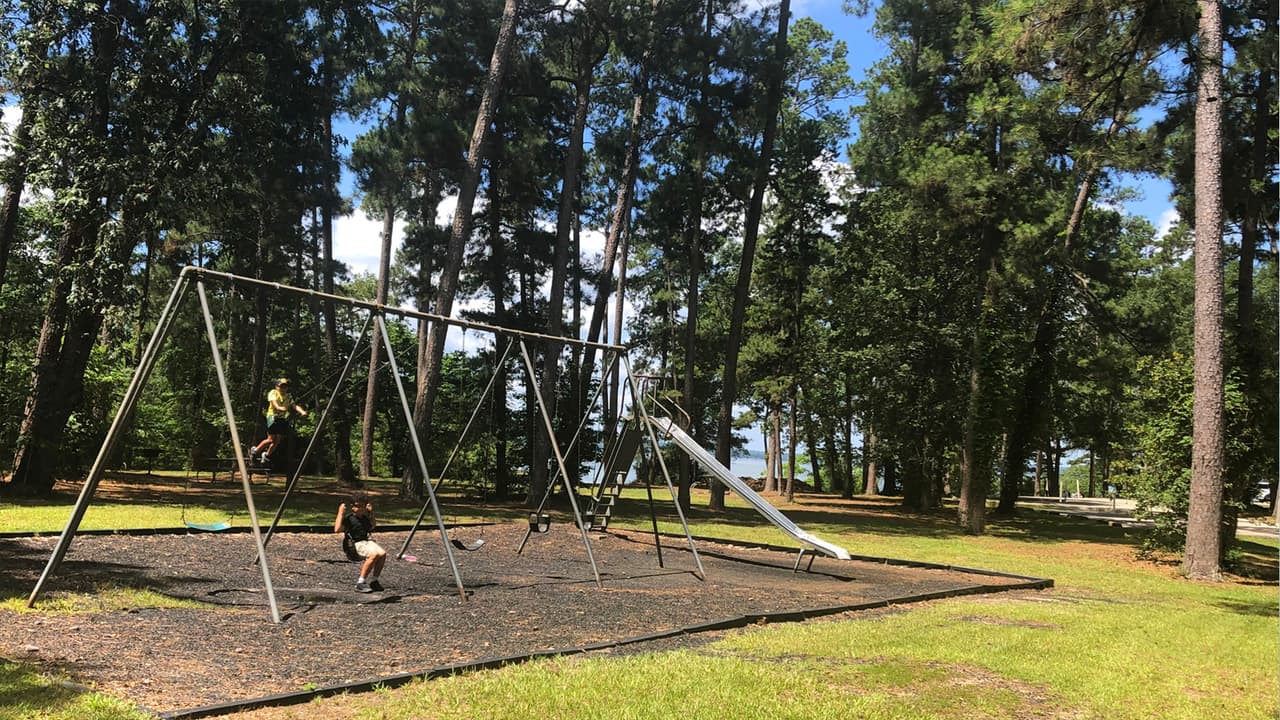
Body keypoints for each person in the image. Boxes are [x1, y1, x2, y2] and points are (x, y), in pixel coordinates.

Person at [334, 493, 387, 593]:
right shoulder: (349, 518)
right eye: (356, 506)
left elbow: (372, 526)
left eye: (361, 506)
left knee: (383, 553)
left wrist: (371, 513)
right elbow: (337, 529)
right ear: (352, 507)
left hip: (365, 542)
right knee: (374, 554)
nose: (358, 508)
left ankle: (374, 581)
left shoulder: (364, 518)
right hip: (354, 544)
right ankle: (360, 583)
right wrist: (340, 513)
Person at [251, 377, 307, 464]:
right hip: (272, 417)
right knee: (270, 439)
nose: (283, 388)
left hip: (281, 419)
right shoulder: (274, 393)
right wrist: (279, 408)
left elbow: (294, 406)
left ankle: (266, 455)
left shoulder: (288, 396)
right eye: (281, 386)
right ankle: (255, 450)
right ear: (277, 387)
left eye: (285, 387)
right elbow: (274, 403)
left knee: (277, 441)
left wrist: (302, 412)